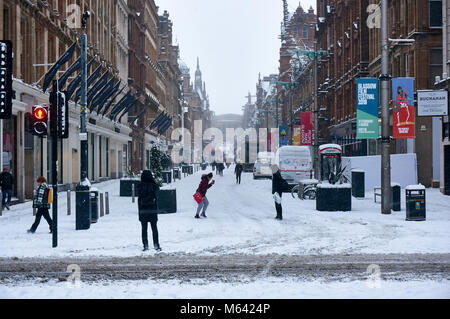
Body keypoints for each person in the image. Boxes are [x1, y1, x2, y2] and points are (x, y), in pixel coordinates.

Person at [138, 170, 161, 252]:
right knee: (154, 228)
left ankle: (145, 245)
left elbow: (139, 197)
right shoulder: (154, 185)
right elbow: (158, 194)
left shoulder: (140, 185)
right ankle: (156, 244)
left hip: (143, 210)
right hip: (152, 210)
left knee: (144, 229)